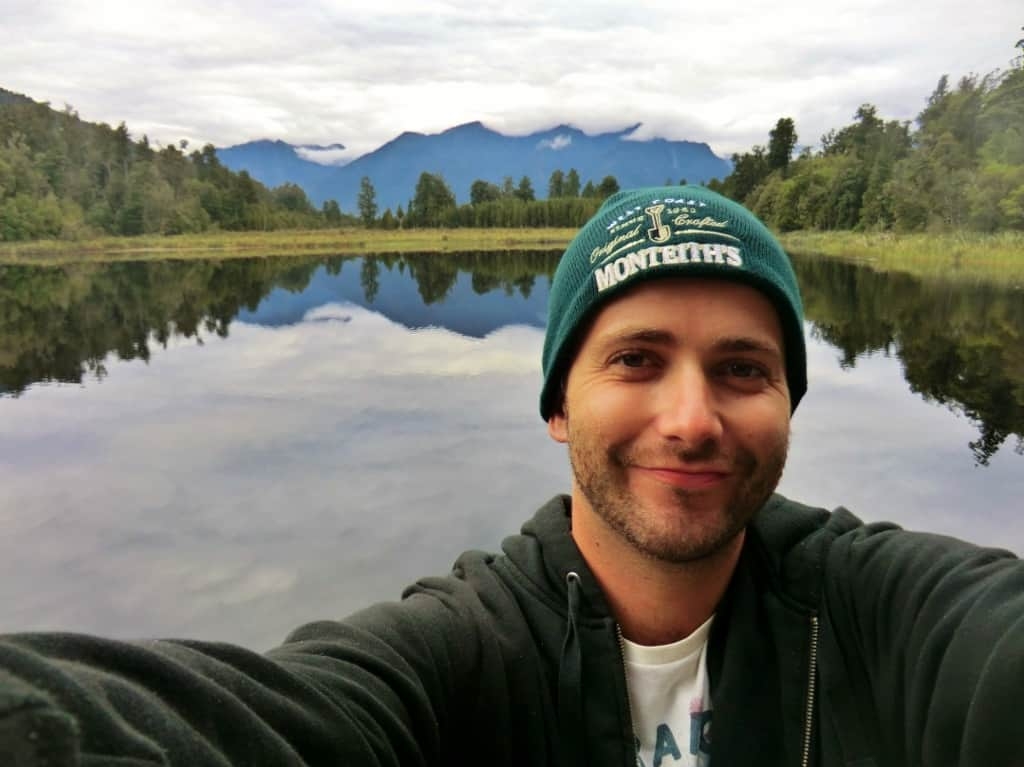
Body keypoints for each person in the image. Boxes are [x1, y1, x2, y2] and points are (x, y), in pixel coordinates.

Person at [1, 186, 1021, 767]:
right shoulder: (461, 650)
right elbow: (252, 723)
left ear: (786, 405)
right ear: (556, 405)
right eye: (634, 359)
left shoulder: (885, 612)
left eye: (744, 370)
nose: (692, 417)